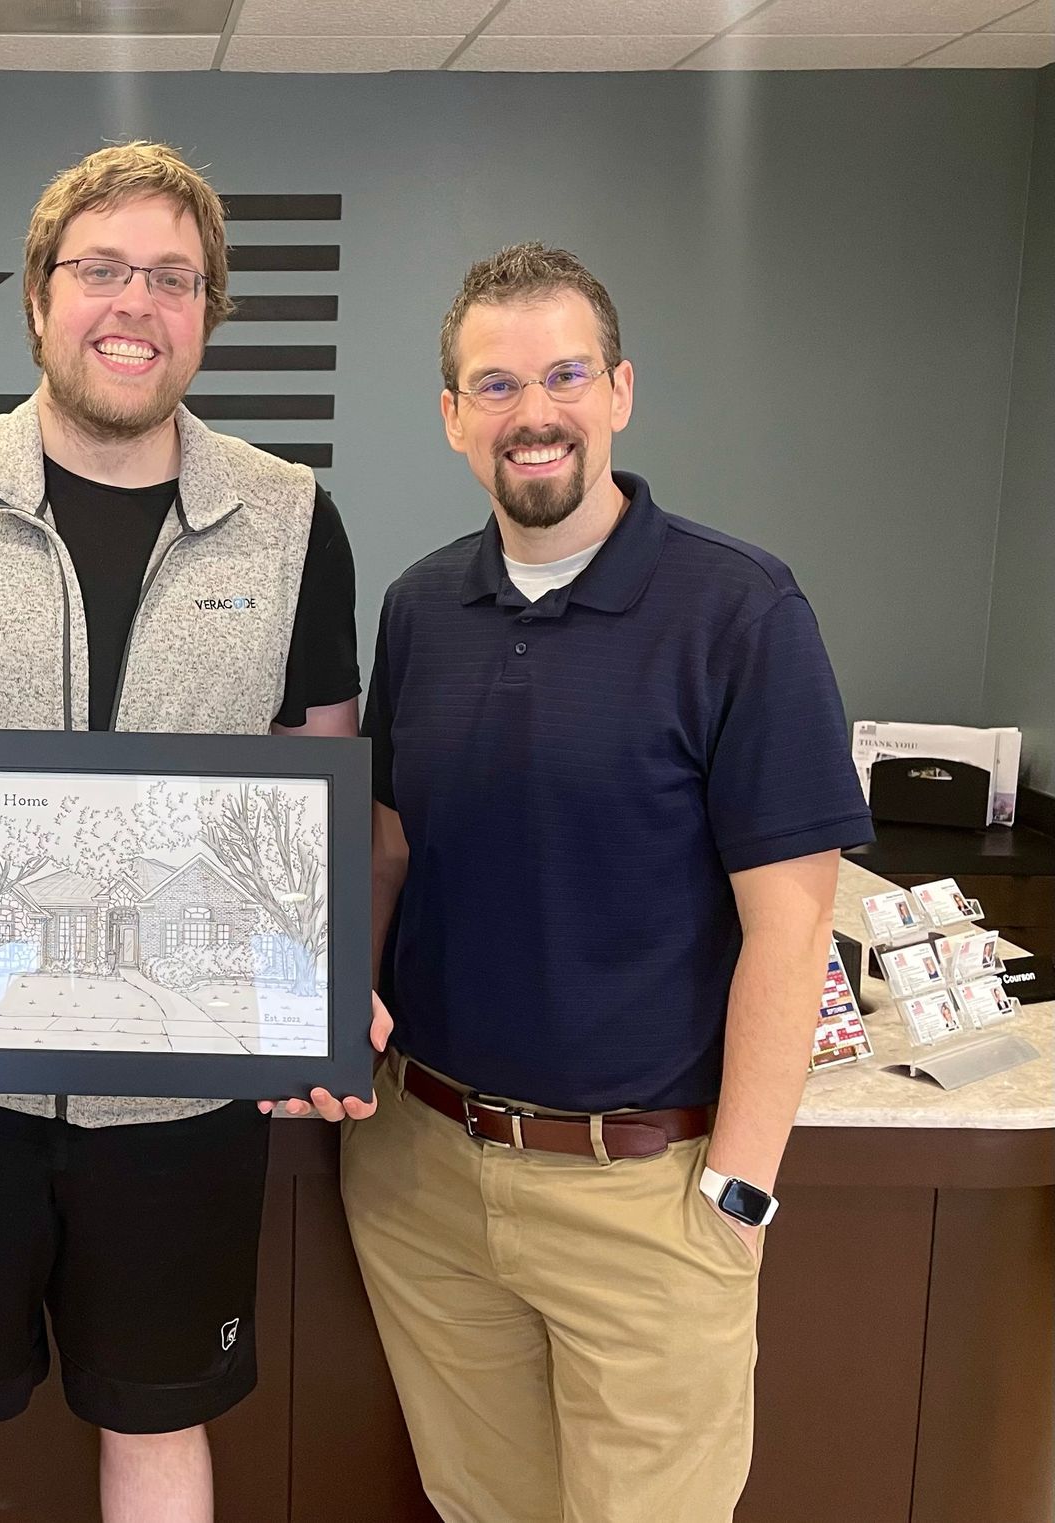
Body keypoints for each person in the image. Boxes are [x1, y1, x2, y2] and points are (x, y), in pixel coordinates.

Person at [0, 142, 382, 1523]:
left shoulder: (292, 517)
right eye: (104, 268)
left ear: (210, 311)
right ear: (42, 299)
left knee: (161, 1420)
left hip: (184, 1094)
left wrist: (317, 978)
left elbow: (320, 768)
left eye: (174, 277)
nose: (138, 302)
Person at [344, 243, 874, 1523]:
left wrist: (740, 1186)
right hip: (422, 1173)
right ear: (453, 417)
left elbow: (793, 924)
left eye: (566, 374)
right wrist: (322, 1026)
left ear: (620, 391)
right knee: (479, 1506)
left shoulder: (740, 611)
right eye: (498, 383)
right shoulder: (420, 609)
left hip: (646, 1192)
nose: (536, 411)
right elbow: (390, 850)